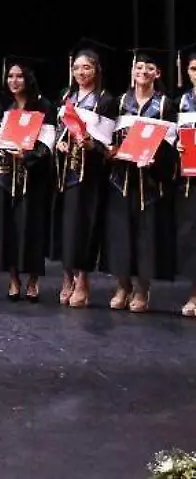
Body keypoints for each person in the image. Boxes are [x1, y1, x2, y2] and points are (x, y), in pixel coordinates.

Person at [104, 48, 179, 313]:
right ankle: (122, 286)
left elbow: (171, 143)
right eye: (139, 67)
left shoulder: (165, 105)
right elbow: (108, 136)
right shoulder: (120, 102)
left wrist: (156, 159)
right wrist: (110, 150)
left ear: (157, 73)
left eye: (149, 68)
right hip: (122, 178)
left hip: (150, 182)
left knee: (146, 236)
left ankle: (142, 289)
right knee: (121, 233)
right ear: (132, 72)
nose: (143, 72)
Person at [51, 38, 118, 308]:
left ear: (96, 70)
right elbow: (59, 129)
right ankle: (67, 276)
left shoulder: (106, 100)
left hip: (89, 174)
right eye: (77, 68)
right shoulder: (67, 97)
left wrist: (93, 146)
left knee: (84, 226)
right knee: (66, 226)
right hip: (64, 171)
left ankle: (82, 280)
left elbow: (109, 144)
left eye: (87, 67)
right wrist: (60, 142)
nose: (81, 72)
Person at [0, 56, 54, 302]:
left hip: (32, 175)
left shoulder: (43, 106)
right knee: (8, 226)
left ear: (28, 78)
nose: (14, 81)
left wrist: (28, 155)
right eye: (10, 76)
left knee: (32, 226)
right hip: (7, 174)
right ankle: (13, 279)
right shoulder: (4, 106)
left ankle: (33, 280)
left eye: (19, 76)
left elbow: (47, 142)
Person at [175, 41, 196, 317]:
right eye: (193, 69)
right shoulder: (182, 101)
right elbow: (172, 134)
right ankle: (194, 293)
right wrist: (177, 145)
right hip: (191, 176)